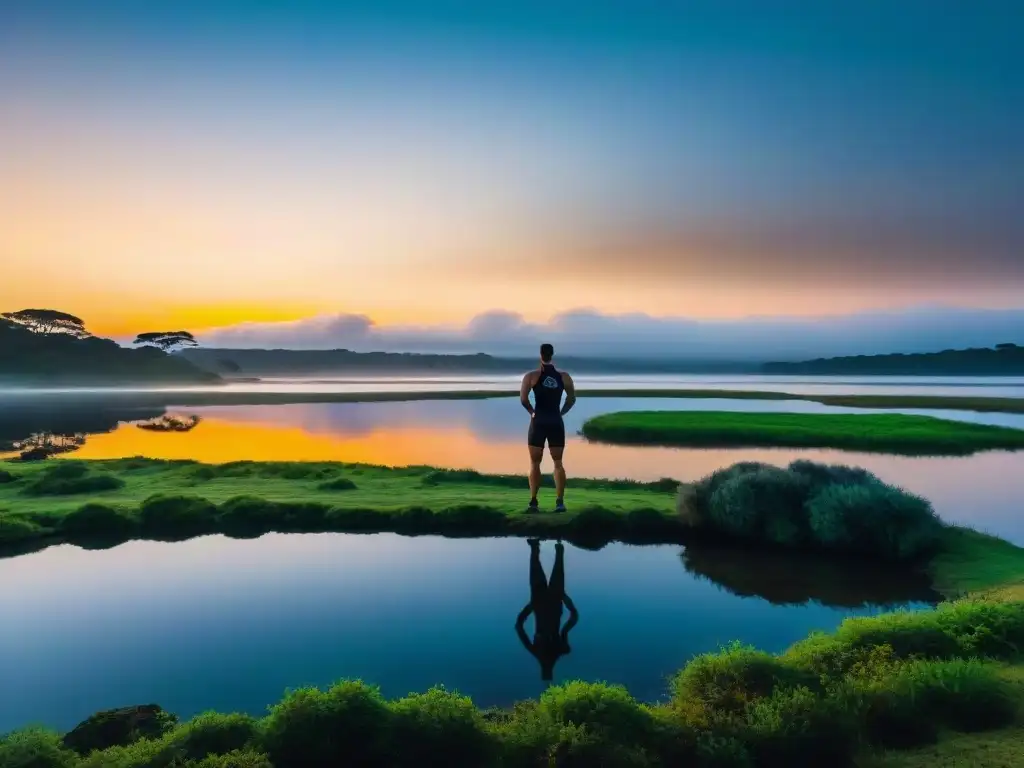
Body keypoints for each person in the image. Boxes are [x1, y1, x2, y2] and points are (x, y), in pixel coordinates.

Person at [520, 342, 576, 513]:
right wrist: (561, 413)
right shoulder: (564, 376)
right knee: (558, 463)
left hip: (538, 422)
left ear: (540, 355)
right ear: (552, 355)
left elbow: (523, 399)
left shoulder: (532, 376)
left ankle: (534, 502)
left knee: (535, 463)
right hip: (555, 422)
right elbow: (571, 399)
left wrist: (532, 412)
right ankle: (559, 502)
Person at [515, 538, 579, 682]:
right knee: (556, 566)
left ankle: (536, 546)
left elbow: (519, 626)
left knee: (539, 568)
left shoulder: (540, 652)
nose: (546, 666)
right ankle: (556, 542)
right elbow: (573, 618)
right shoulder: (551, 651)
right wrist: (566, 601)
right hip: (552, 602)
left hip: (543, 602)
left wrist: (530, 607)